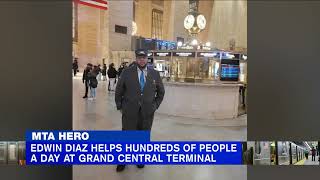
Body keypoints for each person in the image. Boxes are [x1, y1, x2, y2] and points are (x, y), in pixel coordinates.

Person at [114, 49, 165, 172]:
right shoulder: (127, 72)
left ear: (147, 58)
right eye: (139, 57)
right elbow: (119, 90)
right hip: (129, 111)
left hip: (147, 112)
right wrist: (120, 106)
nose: (142, 60)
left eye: (144, 57)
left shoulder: (154, 74)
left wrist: (155, 106)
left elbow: (161, 92)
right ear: (136, 58)